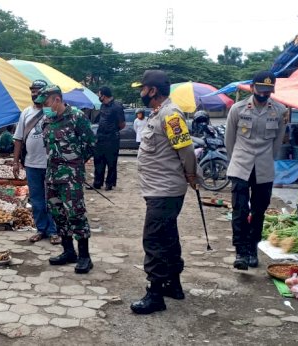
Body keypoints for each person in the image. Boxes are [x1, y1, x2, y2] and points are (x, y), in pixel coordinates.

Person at [129, 70, 199, 314]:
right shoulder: (158, 113)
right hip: (159, 189)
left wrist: (191, 175)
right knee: (168, 238)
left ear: (153, 90)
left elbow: (186, 150)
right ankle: (173, 285)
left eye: (143, 88)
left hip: (165, 190)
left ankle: (155, 294)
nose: (140, 92)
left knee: (154, 240)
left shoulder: (170, 114)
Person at [225, 71, 287, 270]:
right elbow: (229, 140)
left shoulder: (280, 111)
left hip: (264, 167)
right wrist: (235, 160)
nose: (263, 94)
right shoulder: (237, 109)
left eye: (268, 91)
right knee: (240, 210)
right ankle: (241, 252)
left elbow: (278, 141)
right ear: (252, 88)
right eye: (260, 90)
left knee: (259, 211)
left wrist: (267, 159)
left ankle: (252, 250)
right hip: (241, 166)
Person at [35, 85, 96, 274]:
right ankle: (69, 251)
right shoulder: (47, 120)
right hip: (52, 175)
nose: (43, 107)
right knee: (58, 214)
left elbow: (90, 144)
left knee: (75, 214)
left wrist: (74, 164)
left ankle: (85, 256)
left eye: (45, 103)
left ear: (57, 100)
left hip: (71, 177)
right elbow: (47, 147)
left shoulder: (76, 117)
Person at [13, 79, 60, 245]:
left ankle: (54, 231)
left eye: (38, 91)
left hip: (50, 164)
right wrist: (15, 162)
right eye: (32, 90)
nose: (34, 94)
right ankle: (41, 229)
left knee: (52, 199)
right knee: (37, 200)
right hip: (31, 164)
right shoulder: (26, 113)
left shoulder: (52, 112)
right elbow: (18, 139)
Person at [92, 86, 125, 191]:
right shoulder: (102, 106)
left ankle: (109, 184)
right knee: (98, 160)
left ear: (104, 95)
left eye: (99, 94)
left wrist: (112, 130)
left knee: (111, 162)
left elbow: (122, 124)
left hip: (112, 138)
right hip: (100, 137)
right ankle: (97, 183)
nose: (98, 96)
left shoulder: (117, 106)